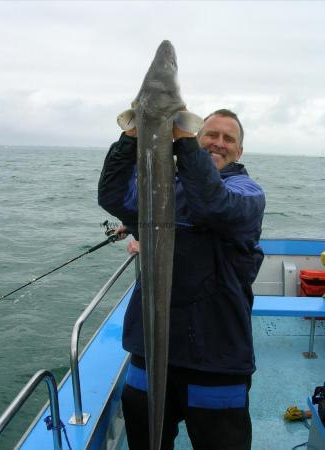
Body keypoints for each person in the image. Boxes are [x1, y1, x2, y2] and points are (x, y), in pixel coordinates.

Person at [98, 109, 265, 450]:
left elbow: (212, 205)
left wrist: (185, 145)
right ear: (197, 138)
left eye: (228, 138)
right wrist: (132, 135)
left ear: (239, 151)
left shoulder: (247, 192)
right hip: (150, 351)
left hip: (216, 361)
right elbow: (114, 196)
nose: (218, 143)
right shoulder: (164, 191)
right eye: (210, 135)